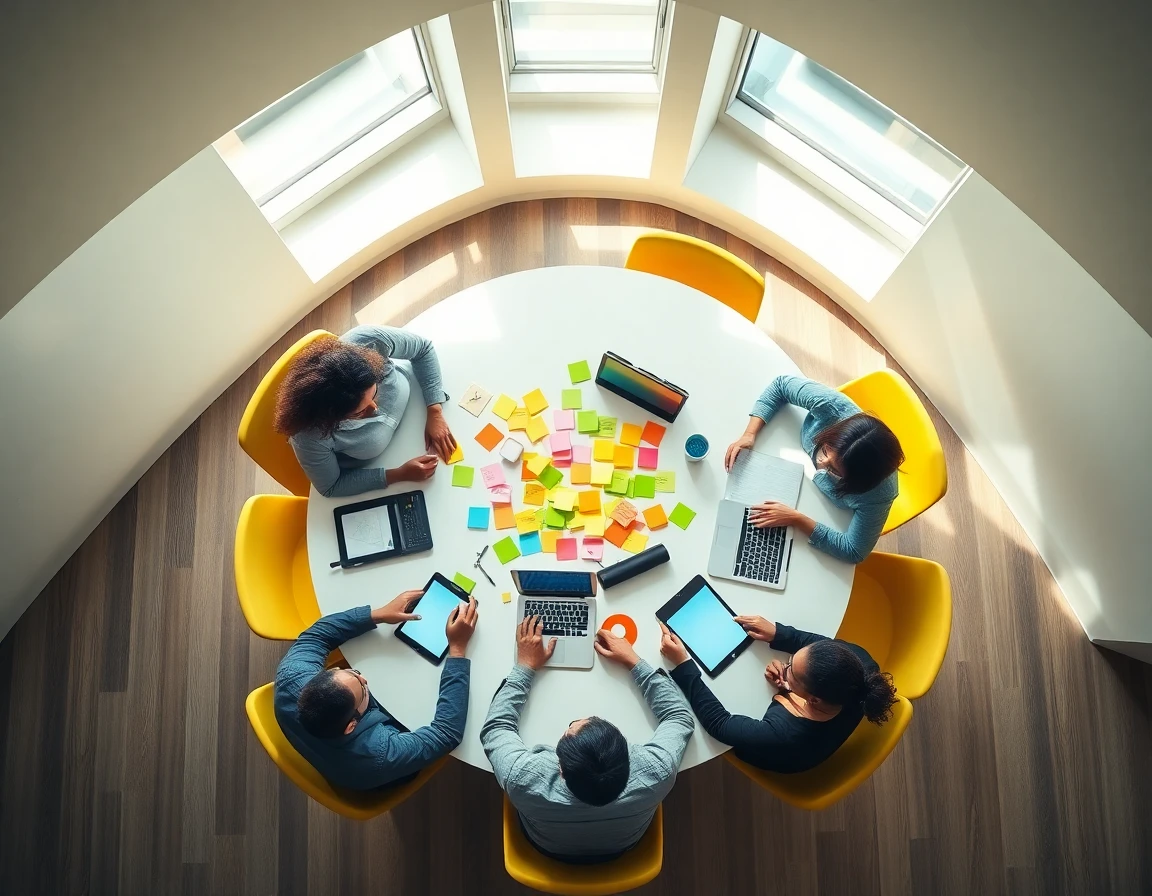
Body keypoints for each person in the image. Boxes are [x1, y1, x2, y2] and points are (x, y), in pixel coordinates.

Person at [481, 618, 694, 864]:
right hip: (623, 847)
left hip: (547, 847)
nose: (576, 721)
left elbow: (496, 727)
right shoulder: (657, 771)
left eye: (569, 730)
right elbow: (679, 718)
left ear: (560, 770)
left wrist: (525, 667)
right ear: (627, 752)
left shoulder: (523, 778)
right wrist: (635, 662)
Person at [274, 592, 478, 790]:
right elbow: (446, 733)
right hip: (371, 773)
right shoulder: (380, 754)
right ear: (351, 725)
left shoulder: (291, 677)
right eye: (362, 688)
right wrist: (458, 649)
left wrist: (378, 614)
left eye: (351, 673)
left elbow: (316, 636)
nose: (363, 678)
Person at [662, 616, 896, 773]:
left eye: (791, 670)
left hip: (772, 754)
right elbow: (815, 644)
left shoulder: (783, 734)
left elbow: (719, 724)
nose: (785, 665)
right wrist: (777, 633)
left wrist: (683, 665)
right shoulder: (861, 664)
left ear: (812, 699)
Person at [725, 374, 903, 563]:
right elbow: (781, 385)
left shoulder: (878, 495)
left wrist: (796, 519)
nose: (821, 463)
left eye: (834, 471)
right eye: (825, 450)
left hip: (822, 510)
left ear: (857, 481)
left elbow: (854, 551)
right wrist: (749, 434)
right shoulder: (832, 408)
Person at [275, 326, 458, 497]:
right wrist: (398, 474)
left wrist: (434, 410)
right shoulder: (309, 437)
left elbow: (423, 348)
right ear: (330, 418)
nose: (375, 409)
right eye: (358, 413)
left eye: (375, 391)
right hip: (386, 463)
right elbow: (331, 486)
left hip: (419, 411)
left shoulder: (366, 342)